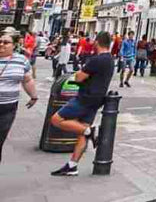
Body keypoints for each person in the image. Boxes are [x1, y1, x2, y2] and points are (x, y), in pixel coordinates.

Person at [49, 31, 115, 176]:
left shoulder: (96, 60)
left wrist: (79, 72)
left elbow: (79, 77)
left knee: (56, 119)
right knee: (81, 132)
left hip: (85, 98)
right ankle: (72, 165)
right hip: (97, 100)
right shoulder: (110, 60)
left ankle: (90, 131)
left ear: (97, 42)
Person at [0, 32, 39, 164]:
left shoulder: (21, 60)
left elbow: (27, 80)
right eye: (0, 41)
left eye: (6, 42)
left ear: (14, 45)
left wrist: (33, 96)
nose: (1, 44)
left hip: (8, 108)